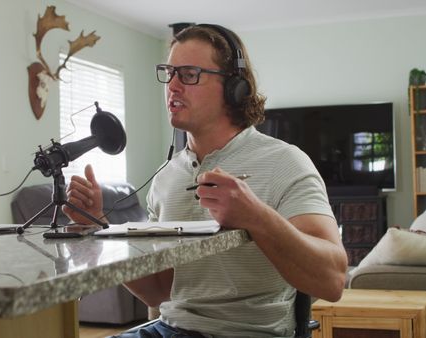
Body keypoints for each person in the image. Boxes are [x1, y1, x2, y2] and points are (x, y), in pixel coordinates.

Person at [63, 24, 348, 337]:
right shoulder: (166, 178)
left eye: (188, 74)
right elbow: (161, 290)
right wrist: (99, 226)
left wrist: (256, 217)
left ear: (234, 88)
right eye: (168, 72)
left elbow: (332, 280)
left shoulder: (285, 162)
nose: (172, 85)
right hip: (169, 329)